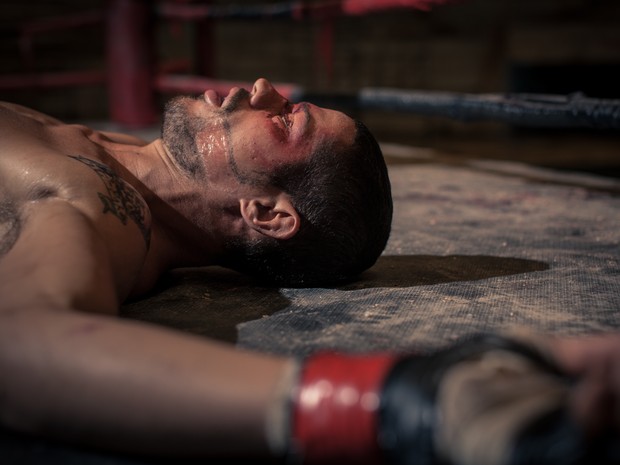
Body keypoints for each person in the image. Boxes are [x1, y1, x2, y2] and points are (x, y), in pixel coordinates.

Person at [0, 77, 618, 464]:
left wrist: (401, 402)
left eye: (283, 120)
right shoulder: (106, 151)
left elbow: (22, 347)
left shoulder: (92, 201)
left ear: (266, 213)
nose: (262, 86)